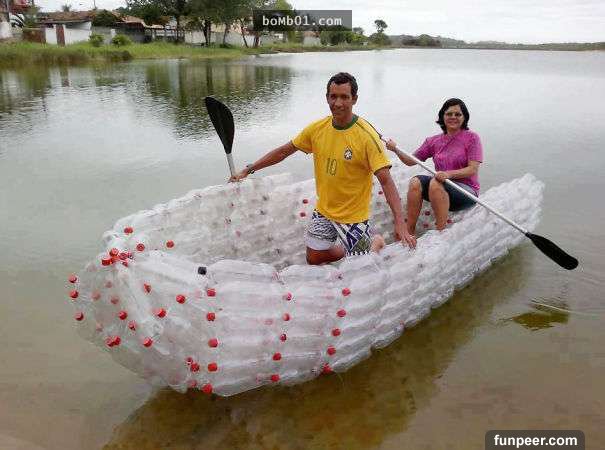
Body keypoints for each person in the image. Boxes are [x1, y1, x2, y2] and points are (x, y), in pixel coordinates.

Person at [229, 72, 416, 265]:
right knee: (314, 258)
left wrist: (400, 223)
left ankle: (374, 243)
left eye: (344, 97)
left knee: (360, 268)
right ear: (327, 97)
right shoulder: (317, 129)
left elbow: (386, 181)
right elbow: (284, 151)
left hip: (354, 216)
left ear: (354, 99)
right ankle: (353, 249)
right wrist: (249, 169)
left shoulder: (367, 137)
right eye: (333, 96)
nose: (338, 103)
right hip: (325, 210)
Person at [386, 98, 483, 236]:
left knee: (435, 182)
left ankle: (440, 233)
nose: (453, 117)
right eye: (449, 114)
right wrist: (395, 149)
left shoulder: (472, 138)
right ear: (442, 116)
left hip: (466, 192)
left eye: (458, 114)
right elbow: (410, 161)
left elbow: (472, 169)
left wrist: (448, 174)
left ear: (464, 117)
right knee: (415, 181)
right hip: (440, 186)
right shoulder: (432, 141)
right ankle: (409, 232)